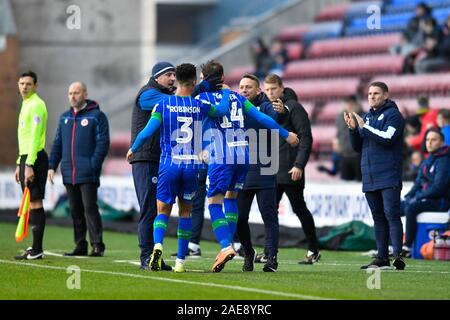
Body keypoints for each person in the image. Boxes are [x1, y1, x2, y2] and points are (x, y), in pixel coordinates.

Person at [126, 63, 232, 273]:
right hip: (181, 164)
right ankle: (178, 262)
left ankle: (156, 248)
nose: (172, 78)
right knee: (184, 212)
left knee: (160, 210)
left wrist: (133, 147)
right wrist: (221, 93)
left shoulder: (164, 105)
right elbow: (220, 111)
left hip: (166, 163)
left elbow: (147, 132)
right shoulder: (194, 104)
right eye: (168, 75)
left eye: (174, 75)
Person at [196, 61, 299, 273]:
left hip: (223, 156)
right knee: (232, 200)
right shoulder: (237, 98)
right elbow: (262, 117)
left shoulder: (203, 97)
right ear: (223, 77)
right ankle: (235, 247)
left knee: (215, 203)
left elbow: (196, 117)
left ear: (204, 78)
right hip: (243, 156)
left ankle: (226, 246)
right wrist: (286, 134)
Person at [345, 81, 406, 270]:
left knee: (391, 214)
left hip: (388, 173)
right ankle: (381, 257)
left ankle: (397, 255)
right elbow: (357, 147)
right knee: (378, 217)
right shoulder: (367, 117)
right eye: (370, 93)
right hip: (370, 175)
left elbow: (387, 139)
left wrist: (364, 127)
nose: (371, 96)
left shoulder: (394, 115)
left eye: (376, 93)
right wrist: (353, 130)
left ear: (386, 95)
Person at [264, 74, 321, 265]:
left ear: (281, 88)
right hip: (273, 168)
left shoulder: (294, 108)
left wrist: (299, 164)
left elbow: (306, 137)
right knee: (270, 212)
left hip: (290, 169)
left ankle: (313, 249)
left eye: (273, 89)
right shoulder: (267, 107)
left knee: (299, 209)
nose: (270, 93)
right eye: (267, 89)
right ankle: (268, 252)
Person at [48, 82, 110, 257]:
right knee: (75, 209)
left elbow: (103, 143)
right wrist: (52, 166)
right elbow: (58, 144)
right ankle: (80, 244)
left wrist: (93, 164)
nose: (73, 96)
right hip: (68, 172)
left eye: (76, 93)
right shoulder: (64, 118)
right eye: (70, 93)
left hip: (88, 172)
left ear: (85, 94)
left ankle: (97, 245)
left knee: (90, 207)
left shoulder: (97, 116)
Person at [235, 73, 285, 272]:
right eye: (241, 86)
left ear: (258, 90)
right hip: (242, 170)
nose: (244, 90)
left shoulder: (265, 107)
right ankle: (248, 252)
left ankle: (271, 257)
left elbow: (273, 119)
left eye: (248, 87)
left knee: (269, 217)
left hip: (264, 170)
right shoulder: (233, 108)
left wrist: (282, 112)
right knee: (239, 218)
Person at [14, 71, 49, 260]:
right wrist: (18, 162)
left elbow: (35, 137)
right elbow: (25, 138)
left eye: (28, 84)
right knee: (31, 201)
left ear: (35, 86)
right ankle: (35, 247)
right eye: (21, 83)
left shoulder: (37, 104)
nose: (24, 87)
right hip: (25, 158)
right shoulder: (26, 104)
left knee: (35, 201)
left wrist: (28, 164)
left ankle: (37, 249)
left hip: (34, 159)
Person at [401, 128, 450, 257]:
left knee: (412, 207)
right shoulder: (427, 160)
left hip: (440, 201)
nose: (429, 142)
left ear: (442, 142)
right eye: (428, 139)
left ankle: (407, 246)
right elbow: (418, 183)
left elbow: (439, 188)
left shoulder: (445, 160)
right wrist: (409, 196)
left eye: (434, 140)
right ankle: (391, 245)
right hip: (425, 198)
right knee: (394, 207)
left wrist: (418, 197)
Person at [335, 95, 362, 181]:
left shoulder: (362, 116)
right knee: (345, 185)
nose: (349, 105)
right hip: (344, 155)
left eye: (351, 103)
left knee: (361, 183)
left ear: (356, 104)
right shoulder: (340, 117)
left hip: (358, 155)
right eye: (347, 103)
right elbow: (339, 133)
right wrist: (336, 141)